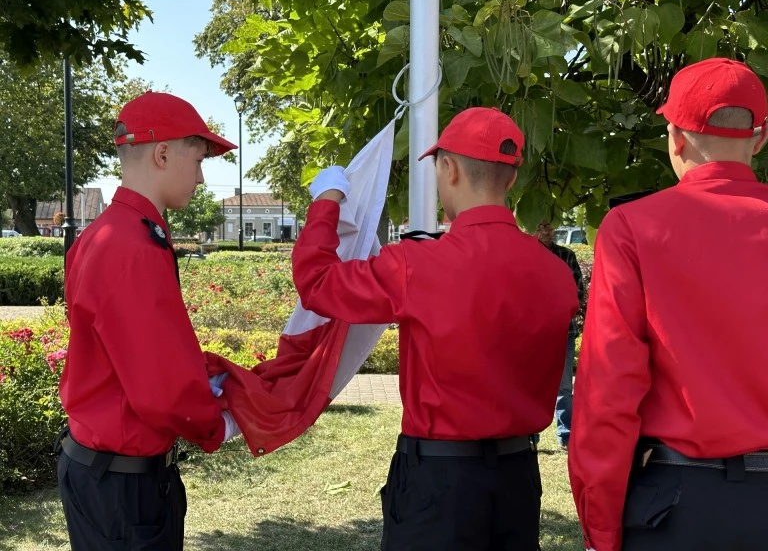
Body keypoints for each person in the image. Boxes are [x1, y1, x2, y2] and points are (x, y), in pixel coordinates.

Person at [292, 107, 579, 550]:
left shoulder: (416, 265)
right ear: (511, 179)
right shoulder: (556, 273)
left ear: (449, 168)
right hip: (518, 478)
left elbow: (316, 283)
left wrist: (327, 200)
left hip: (439, 483)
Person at [568, 57, 768, 551]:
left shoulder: (633, 228)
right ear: (760, 138)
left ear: (675, 139)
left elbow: (607, 393)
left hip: (680, 505)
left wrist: (601, 529)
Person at [56, 91, 240, 551]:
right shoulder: (132, 246)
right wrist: (216, 424)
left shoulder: (104, 234)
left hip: (99, 470)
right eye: (197, 160)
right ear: (162, 154)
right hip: (123, 486)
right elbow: (161, 384)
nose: (200, 177)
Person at [534, 220, 585, 450]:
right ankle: (530, 437)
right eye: (540, 226)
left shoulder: (567, 255)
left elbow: (578, 292)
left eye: (549, 226)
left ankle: (566, 436)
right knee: (530, 384)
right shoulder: (525, 254)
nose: (546, 231)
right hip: (531, 332)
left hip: (564, 329)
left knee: (564, 387)